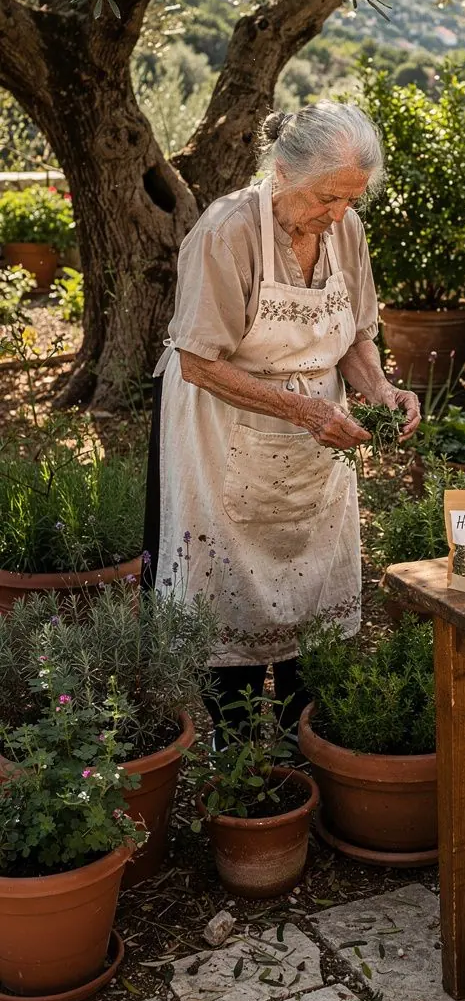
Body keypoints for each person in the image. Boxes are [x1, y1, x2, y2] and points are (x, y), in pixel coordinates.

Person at [142, 102, 420, 729]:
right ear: (282, 171)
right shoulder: (226, 231)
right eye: (327, 198)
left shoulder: (344, 230)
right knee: (225, 590)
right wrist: (304, 409)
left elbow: (354, 338)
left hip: (313, 447)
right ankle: (232, 744)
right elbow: (199, 363)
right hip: (223, 439)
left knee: (312, 584)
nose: (338, 214)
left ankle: (303, 736)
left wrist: (381, 394)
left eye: (351, 200)